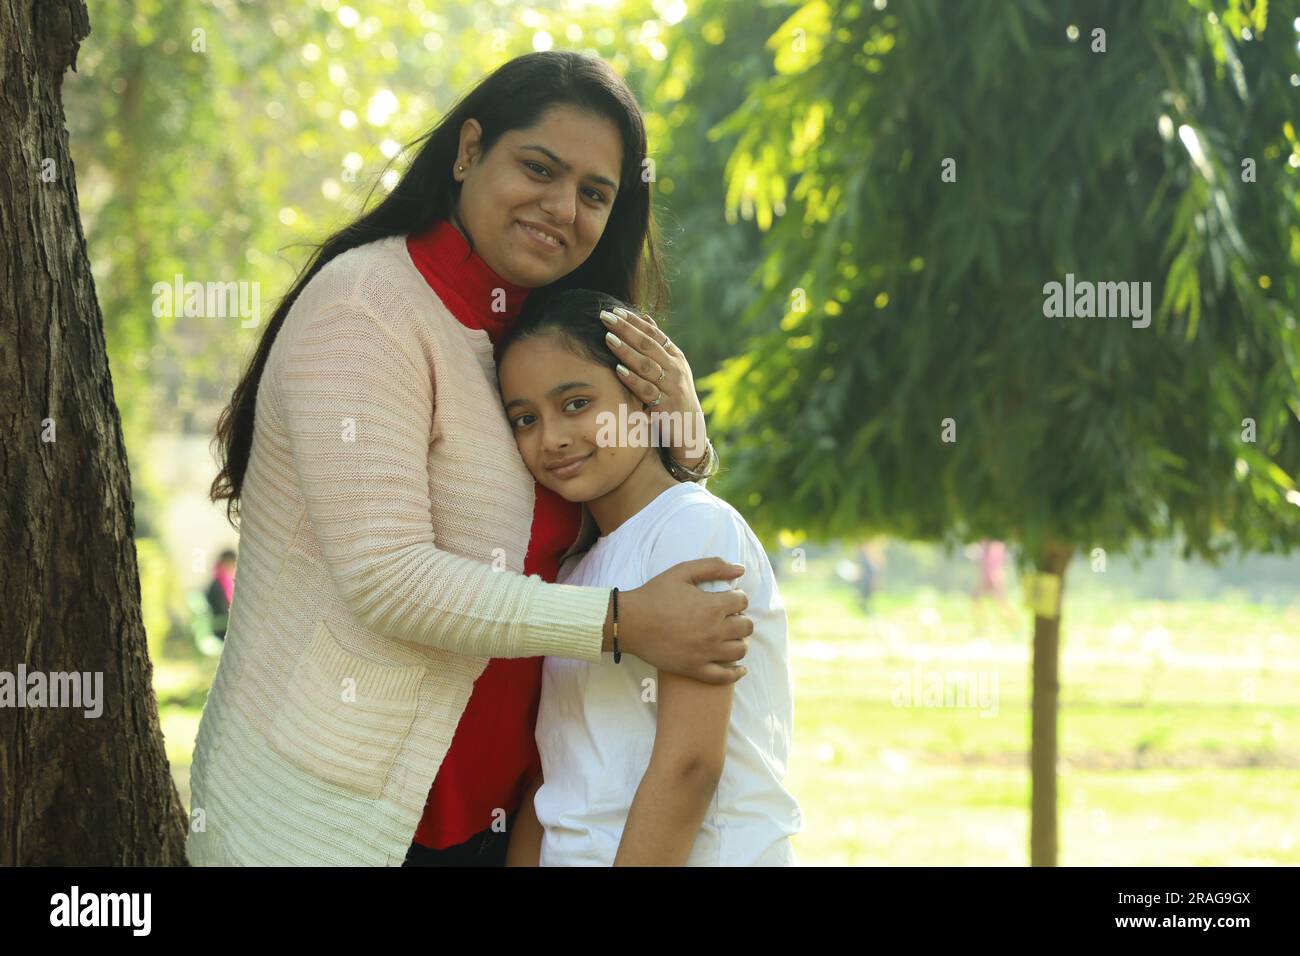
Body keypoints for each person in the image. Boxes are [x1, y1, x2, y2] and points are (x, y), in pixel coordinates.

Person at [189, 51, 754, 867]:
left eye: (595, 194)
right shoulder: (367, 310)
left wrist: (684, 440)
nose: (562, 208)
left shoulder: (544, 340)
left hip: (508, 819)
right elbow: (387, 577)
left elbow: (606, 517)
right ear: (467, 150)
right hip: (335, 817)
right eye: (538, 167)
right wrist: (623, 623)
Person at [497, 289, 801, 866]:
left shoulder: (692, 526)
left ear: (644, 396)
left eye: (577, 403)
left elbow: (691, 766)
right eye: (525, 419)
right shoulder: (571, 572)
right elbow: (557, 776)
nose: (552, 437)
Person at [204, 549, 237, 640]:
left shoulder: (219, 581)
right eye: (234, 564)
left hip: (222, 625)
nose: (235, 567)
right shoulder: (220, 584)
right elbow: (223, 610)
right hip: (222, 630)